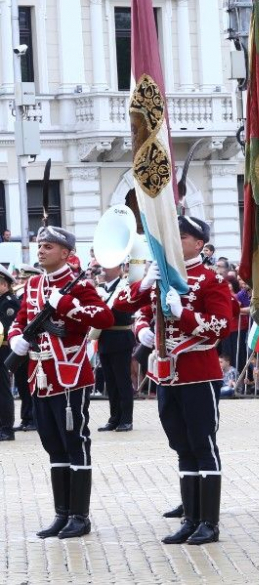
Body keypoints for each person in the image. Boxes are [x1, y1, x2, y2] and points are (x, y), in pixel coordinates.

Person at [115, 216, 233, 545]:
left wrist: (184, 314)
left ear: (199, 243)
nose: (174, 243)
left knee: (202, 446)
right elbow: (121, 305)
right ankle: (191, 519)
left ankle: (208, 522)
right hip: (167, 376)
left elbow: (223, 325)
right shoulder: (161, 275)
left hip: (198, 373)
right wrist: (143, 287)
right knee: (182, 448)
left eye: (181, 237)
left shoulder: (212, 280)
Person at [8, 225, 113, 539]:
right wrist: (16, 339)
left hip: (69, 375)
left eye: (48, 247)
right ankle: (62, 513)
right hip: (40, 375)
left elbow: (104, 317)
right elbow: (22, 320)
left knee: (75, 443)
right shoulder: (34, 284)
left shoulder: (76, 285)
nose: (41, 251)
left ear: (66, 253)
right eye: (40, 246)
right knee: (52, 444)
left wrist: (65, 304)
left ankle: (79, 516)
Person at [93, 262, 136, 433]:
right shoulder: (101, 288)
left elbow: (126, 314)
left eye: (109, 265)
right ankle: (114, 417)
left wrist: (105, 301)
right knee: (110, 382)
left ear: (119, 268)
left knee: (122, 381)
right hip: (105, 337)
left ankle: (126, 419)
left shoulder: (124, 287)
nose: (105, 269)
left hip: (120, 337)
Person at [0, 263, 21, 441]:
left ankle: (7, 428)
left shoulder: (9, 303)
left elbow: (6, 328)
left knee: (3, 389)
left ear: (5, 284)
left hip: (3, 349)